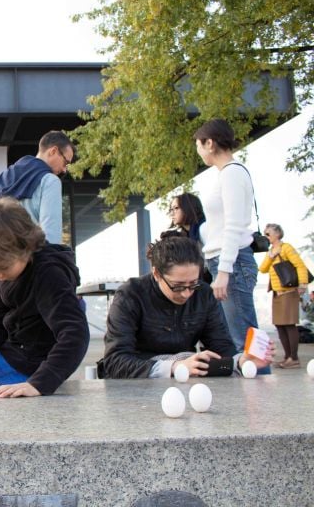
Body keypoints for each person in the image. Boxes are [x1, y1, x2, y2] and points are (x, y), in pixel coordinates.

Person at [0, 198, 89, 397]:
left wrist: (39, 383)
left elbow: (75, 333)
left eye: (2, 268)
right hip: (16, 351)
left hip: (31, 361)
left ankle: (25, 378)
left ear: (26, 246)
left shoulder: (48, 274)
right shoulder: (5, 265)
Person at [98, 236, 273, 379]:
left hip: (187, 379)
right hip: (137, 386)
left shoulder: (204, 294)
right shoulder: (130, 295)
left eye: (193, 284)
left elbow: (222, 350)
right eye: (178, 286)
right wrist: (175, 367)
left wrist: (241, 361)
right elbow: (115, 361)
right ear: (157, 274)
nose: (186, 294)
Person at [195, 119, 260, 353]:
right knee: (235, 339)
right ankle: (248, 385)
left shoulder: (232, 173)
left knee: (244, 340)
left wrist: (223, 272)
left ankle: (257, 386)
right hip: (226, 262)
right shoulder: (226, 174)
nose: (199, 152)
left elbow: (234, 225)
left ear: (210, 143)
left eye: (199, 146)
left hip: (232, 263)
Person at [0, 130, 75, 244]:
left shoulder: (2, 177)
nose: (64, 169)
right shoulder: (50, 181)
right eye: (65, 162)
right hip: (22, 257)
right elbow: (51, 237)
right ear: (53, 151)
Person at [259, 223, 309, 369]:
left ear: (277, 234)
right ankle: (287, 357)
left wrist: (303, 284)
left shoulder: (287, 248)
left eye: (268, 234)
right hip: (277, 293)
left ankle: (294, 358)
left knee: (289, 324)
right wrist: (271, 255)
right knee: (280, 326)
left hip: (288, 292)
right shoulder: (271, 251)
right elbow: (262, 269)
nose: (266, 236)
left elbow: (300, 265)